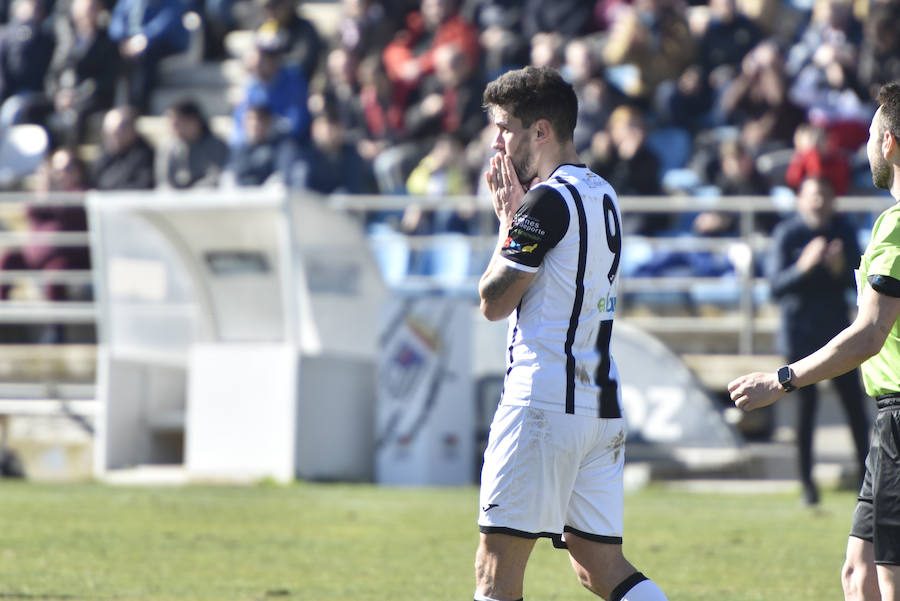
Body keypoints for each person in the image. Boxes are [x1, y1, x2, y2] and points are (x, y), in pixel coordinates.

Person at [475, 65, 669, 601]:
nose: (497, 141)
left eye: (505, 127)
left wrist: (506, 226)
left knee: (496, 571)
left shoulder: (545, 202)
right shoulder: (602, 192)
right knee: (598, 567)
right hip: (599, 406)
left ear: (541, 131)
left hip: (542, 401)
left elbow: (493, 302)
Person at [728, 82, 900, 601]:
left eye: (869, 133)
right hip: (887, 415)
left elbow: (870, 334)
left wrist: (781, 379)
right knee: (860, 574)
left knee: (890, 581)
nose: (865, 143)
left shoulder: (895, 226)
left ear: (889, 142)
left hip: (898, 417)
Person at [768, 176, 869, 506]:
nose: (819, 202)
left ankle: (866, 486)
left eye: (825, 195)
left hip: (838, 335)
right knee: (804, 415)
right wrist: (804, 266)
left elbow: (862, 283)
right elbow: (775, 287)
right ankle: (807, 487)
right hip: (800, 337)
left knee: (856, 411)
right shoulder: (788, 233)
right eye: (813, 195)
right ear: (800, 199)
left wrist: (840, 269)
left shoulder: (842, 229)